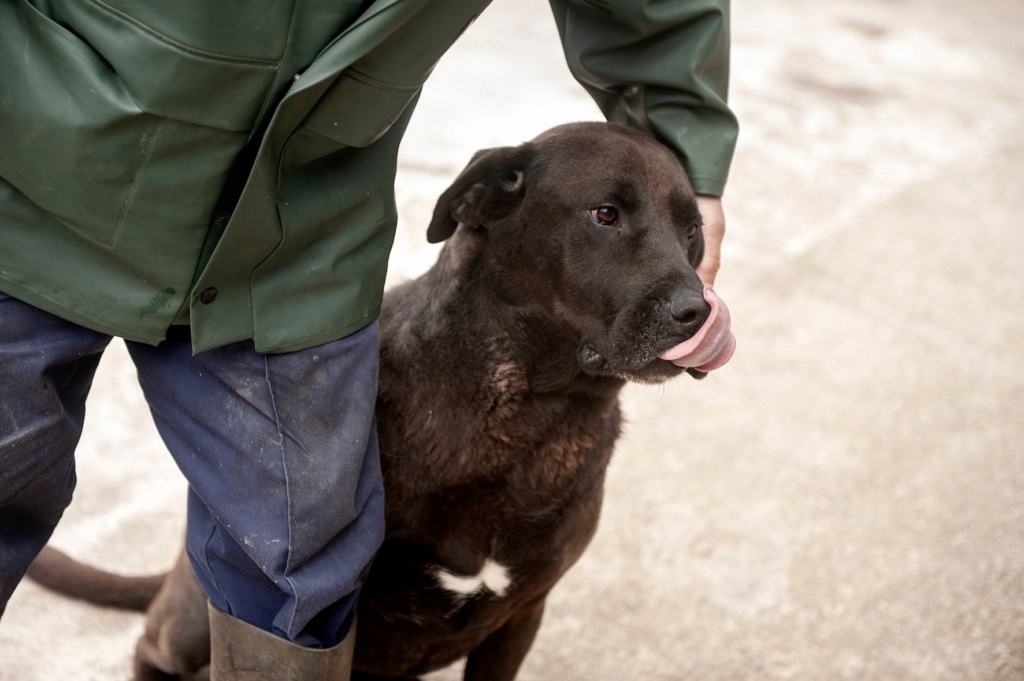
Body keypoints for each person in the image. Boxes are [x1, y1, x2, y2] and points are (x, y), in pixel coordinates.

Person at [0, 0, 738, 677]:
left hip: (302, 227)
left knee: (297, 540)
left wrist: (690, 151)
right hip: (44, 163)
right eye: (610, 217)